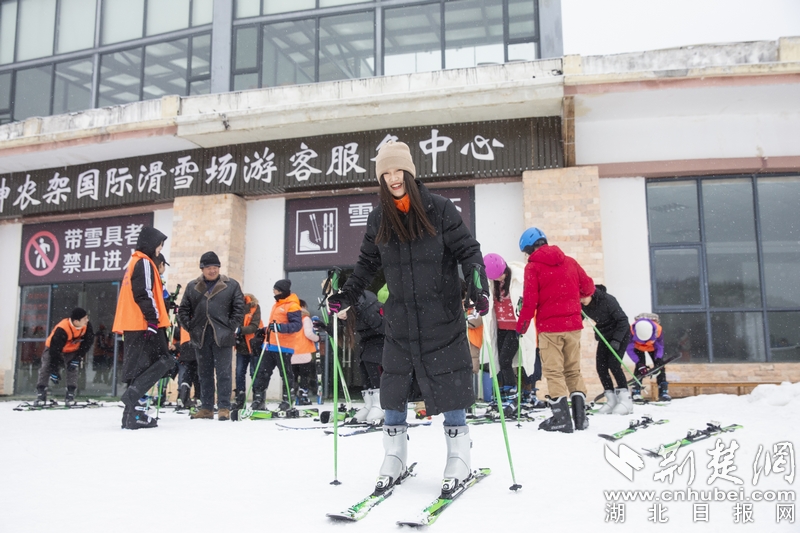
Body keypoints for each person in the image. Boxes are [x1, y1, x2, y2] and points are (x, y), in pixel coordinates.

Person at [327, 140, 489, 494]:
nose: (393, 178)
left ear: (411, 172)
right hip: (400, 321)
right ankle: (394, 454)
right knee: (394, 387)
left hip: (442, 315)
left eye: (398, 170)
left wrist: (478, 283)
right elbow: (367, 266)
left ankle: (459, 454)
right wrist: (348, 296)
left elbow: (468, 251)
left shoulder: (441, 210)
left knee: (450, 383)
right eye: (385, 173)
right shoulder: (378, 218)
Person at [515, 227, 595, 433]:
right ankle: (580, 418)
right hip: (573, 326)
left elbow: (530, 301)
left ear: (530, 248)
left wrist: (522, 325)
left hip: (550, 328)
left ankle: (562, 419)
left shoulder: (533, 268)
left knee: (554, 372)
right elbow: (588, 288)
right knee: (573, 370)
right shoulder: (570, 261)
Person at [112, 226, 173, 429]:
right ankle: (133, 401)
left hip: (134, 324)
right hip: (143, 324)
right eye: (159, 245)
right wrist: (153, 320)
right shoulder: (144, 263)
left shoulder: (134, 262)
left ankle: (131, 415)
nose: (159, 249)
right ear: (151, 244)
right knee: (161, 363)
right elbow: (144, 293)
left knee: (139, 367)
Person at [178, 251, 245, 421]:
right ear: (202, 268)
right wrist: (191, 327)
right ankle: (206, 407)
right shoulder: (192, 286)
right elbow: (183, 310)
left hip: (222, 335)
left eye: (215, 267)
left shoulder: (231, 285)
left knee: (224, 372)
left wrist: (230, 327)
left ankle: (224, 407)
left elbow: (239, 308)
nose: (212, 270)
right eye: (208, 267)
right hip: (200, 335)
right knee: (204, 373)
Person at [482, 253, 542, 407]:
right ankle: (505, 390)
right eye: (495, 278)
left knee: (505, 359)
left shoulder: (518, 279)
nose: (499, 279)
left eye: (501, 276)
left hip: (516, 328)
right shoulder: (492, 283)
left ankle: (513, 391)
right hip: (500, 327)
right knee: (499, 362)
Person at [581, 284, 633, 415]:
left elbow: (623, 320)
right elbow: (578, 318)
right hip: (604, 335)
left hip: (620, 333)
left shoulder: (608, 300)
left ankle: (626, 400)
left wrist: (617, 340)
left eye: (583, 296)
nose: (581, 300)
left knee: (614, 364)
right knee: (601, 367)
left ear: (591, 293)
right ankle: (611, 400)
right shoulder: (582, 305)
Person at [250, 279, 302, 411]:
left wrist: (279, 327)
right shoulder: (277, 304)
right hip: (270, 345)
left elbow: (296, 325)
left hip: (283, 346)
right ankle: (259, 399)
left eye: (275, 290)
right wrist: (266, 329)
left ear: (281, 291)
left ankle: (287, 399)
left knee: (285, 374)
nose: (273, 292)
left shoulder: (292, 305)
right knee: (263, 373)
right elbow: (275, 323)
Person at [339, 289, 385, 423]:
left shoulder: (368, 308)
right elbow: (345, 327)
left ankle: (382, 403)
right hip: (367, 343)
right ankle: (370, 403)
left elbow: (382, 326)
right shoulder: (353, 313)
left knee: (373, 366)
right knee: (364, 367)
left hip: (380, 343)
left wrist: (363, 312)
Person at [35, 307, 94, 406]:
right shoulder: (62, 329)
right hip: (53, 347)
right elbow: (54, 351)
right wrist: (55, 370)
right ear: (76, 321)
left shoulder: (86, 326)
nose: (87, 320)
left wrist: (78, 358)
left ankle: (70, 393)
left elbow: (88, 342)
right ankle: (41, 392)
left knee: (72, 369)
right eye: (85, 319)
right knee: (46, 367)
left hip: (72, 349)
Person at [627, 313, 669, 402]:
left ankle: (663, 391)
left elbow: (660, 346)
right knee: (639, 368)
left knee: (661, 367)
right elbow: (629, 348)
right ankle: (636, 392)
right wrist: (639, 363)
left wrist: (658, 359)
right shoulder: (631, 330)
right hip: (637, 347)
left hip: (653, 347)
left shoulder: (658, 330)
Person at [233, 294, 263, 409]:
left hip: (254, 344)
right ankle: (240, 398)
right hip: (241, 345)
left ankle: (258, 398)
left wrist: (240, 330)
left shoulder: (254, 307)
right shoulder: (235, 309)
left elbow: (254, 326)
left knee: (254, 372)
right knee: (240, 372)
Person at [291, 299, 320, 406]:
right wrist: (317, 338)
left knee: (293, 375)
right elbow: (308, 333)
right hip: (304, 351)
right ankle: (303, 395)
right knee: (304, 375)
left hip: (291, 351)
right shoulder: (305, 319)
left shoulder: (289, 319)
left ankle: (291, 394)